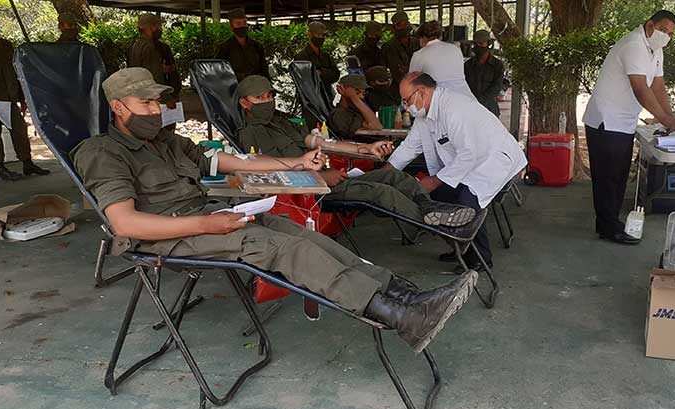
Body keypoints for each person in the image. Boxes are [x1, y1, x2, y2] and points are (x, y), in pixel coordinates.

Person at [72, 67, 477, 353]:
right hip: (171, 236)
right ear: (118, 108)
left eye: (157, 102)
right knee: (285, 250)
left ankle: (409, 297)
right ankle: (402, 319)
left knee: (306, 236)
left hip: (209, 218)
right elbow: (124, 222)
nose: (154, 110)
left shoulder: (169, 142)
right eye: (144, 104)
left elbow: (239, 164)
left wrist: (297, 164)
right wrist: (208, 224)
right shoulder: (102, 153)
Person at [236, 75, 477, 240]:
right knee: (383, 192)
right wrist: (318, 177)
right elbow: (269, 172)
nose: (267, 102)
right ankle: (440, 228)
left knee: (392, 175)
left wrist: (365, 150)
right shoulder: (251, 134)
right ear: (245, 103)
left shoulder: (283, 121)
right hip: (310, 190)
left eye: (269, 96)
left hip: (327, 178)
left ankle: (430, 208)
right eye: (260, 98)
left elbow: (321, 142)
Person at [391, 72, 527, 272]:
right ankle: (461, 247)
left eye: (406, 99)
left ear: (421, 92)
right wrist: (387, 172)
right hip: (472, 163)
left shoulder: (453, 108)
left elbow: (467, 156)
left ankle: (480, 258)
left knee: (467, 199)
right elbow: (408, 148)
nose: (405, 105)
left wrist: (434, 180)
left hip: (495, 162)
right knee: (439, 196)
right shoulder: (424, 114)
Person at [583, 10, 675, 245]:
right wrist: (663, 119)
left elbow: (657, 85)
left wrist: (670, 116)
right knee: (608, 177)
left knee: (618, 175)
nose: (666, 37)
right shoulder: (633, 44)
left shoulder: (655, 50)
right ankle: (608, 227)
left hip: (623, 121)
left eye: (670, 34)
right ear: (650, 25)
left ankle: (610, 222)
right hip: (606, 120)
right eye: (663, 30)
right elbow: (640, 88)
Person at [0, 10, 49, 180]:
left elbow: (17, 73)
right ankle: (0, 167)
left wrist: (22, 98)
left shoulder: (6, 45)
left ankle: (27, 163)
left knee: (20, 129)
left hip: (9, 96)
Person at [127, 13, 180, 112]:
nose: (160, 29)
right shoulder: (149, 47)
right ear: (150, 27)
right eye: (158, 26)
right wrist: (166, 98)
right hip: (153, 97)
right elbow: (155, 76)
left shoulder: (135, 46)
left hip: (140, 95)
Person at [409, 20, 474, 98]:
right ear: (440, 36)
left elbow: (411, 81)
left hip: (440, 99)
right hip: (465, 96)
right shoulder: (455, 49)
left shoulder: (419, 55)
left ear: (422, 38)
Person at [294, 21, 340, 130]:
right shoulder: (302, 56)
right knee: (314, 130)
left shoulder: (325, 56)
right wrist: (322, 73)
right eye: (318, 35)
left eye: (323, 35)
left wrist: (321, 72)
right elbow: (305, 80)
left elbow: (336, 74)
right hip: (310, 103)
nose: (321, 38)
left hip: (327, 98)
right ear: (310, 35)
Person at [214, 8, 269, 83]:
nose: (242, 26)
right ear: (231, 26)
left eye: (244, 23)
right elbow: (219, 71)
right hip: (235, 87)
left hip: (256, 86)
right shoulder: (224, 48)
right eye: (238, 23)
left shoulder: (257, 46)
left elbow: (264, 70)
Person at [464, 30, 504, 117]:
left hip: (490, 110)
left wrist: (479, 101)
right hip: (471, 109)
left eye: (481, 43)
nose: (478, 46)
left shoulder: (497, 65)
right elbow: (464, 85)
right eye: (476, 44)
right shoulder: (468, 65)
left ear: (488, 44)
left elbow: (496, 87)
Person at [328, 74, 382, 139]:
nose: (362, 96)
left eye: (364, 93)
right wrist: (353, 97)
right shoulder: (339, 114)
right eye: (357, 92)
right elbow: (375, 126)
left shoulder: (356, 111)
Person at [381, 12, 420, 98]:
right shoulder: (388, 47)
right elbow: (385, 70)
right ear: (394, 27)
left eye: (405, 24)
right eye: (399, 24)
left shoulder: (417, 43)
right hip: (396, 90)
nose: (403, 27)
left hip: (417, 87)